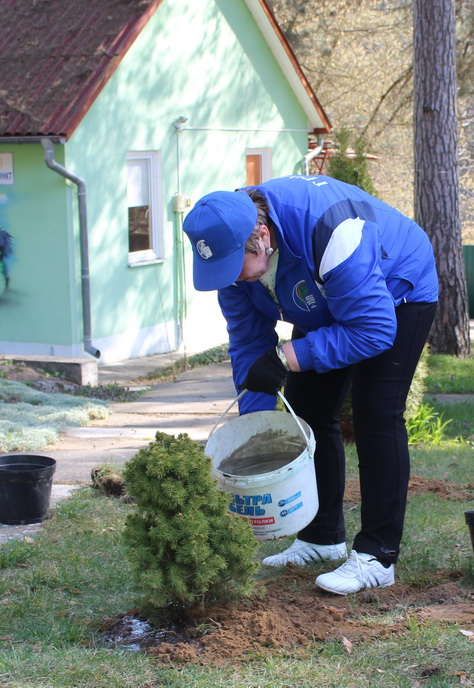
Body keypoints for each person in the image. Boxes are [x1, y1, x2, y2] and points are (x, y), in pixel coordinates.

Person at [182, 175, 438, 594]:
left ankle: (377, 555)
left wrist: (286, 357)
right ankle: (322, 537)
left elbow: (373, 330)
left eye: (234, 269)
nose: (231, 279)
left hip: (394, 293)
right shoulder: (232, 263)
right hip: (325, 294)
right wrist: (259, 434)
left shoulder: (333, 232)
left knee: (376, 413)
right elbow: (249, 343)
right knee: (308, 411)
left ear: (262, 237)